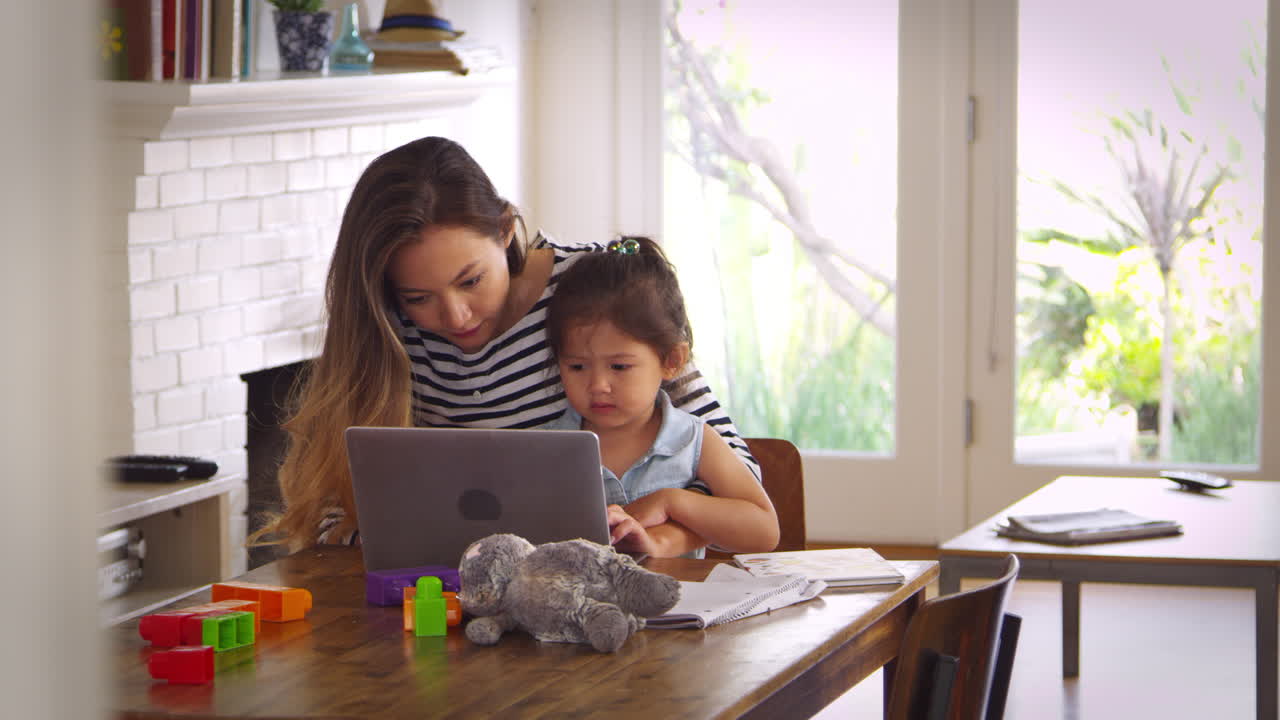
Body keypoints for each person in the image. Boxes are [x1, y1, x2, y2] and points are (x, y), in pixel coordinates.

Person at [259, 136, 759, 550]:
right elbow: (334, 508)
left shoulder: (595, 289)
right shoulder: (388, 331)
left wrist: (658, 538)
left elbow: (730, 465)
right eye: (418, 296)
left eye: (471, 280)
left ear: (503, 230)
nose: (455, 316)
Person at [544, 236, 780, 558]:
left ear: (671, 361)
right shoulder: (549, 447)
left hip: (681, 606)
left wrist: (672, 501)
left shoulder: (693, 439)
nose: (598, 384)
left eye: (619, 366)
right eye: (577, 366)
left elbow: (764, 530)